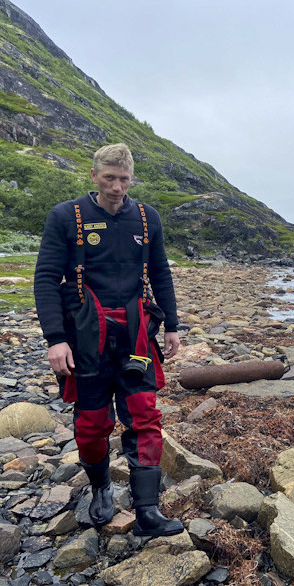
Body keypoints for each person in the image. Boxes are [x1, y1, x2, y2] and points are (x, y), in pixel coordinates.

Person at [34, 143, 183, 537]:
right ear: (94, 175)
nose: (117, 187)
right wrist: (55, 339)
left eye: (124, 179)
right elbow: (47, 279)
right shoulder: (67, 216)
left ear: (131, 178)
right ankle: (101, 488)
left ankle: (148, 510)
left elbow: (161, 274)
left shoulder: (147, 219)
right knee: (91, 423)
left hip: (136, 335)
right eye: (109, 178)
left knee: (145, 416)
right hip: (85, 337)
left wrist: (172, 326)